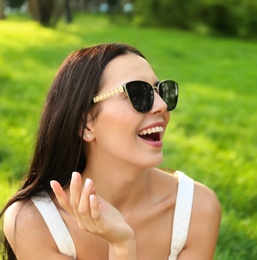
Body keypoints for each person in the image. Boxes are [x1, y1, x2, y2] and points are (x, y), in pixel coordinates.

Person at [1, 43, 221, 259]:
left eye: (161, 90)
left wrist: (122, 243)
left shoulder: (197, 208)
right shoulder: (34, 222)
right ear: (85, 124)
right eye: (138, 94)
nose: (161, 105)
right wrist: (121, 244)